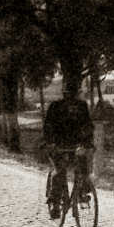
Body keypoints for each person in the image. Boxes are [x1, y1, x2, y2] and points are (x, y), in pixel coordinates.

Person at [41, 80, 94, 219]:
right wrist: (50, 142)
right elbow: (48, 126)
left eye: (74, 94)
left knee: (84, 169)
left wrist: (87, 143)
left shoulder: (82, 107)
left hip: (76, 145)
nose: (72, 97)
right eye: (69, 94)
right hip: (58, 145)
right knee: (59, 172)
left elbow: (88, 126)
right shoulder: (55, 106)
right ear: (64, 94)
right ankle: (55, 202)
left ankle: (83, 194)